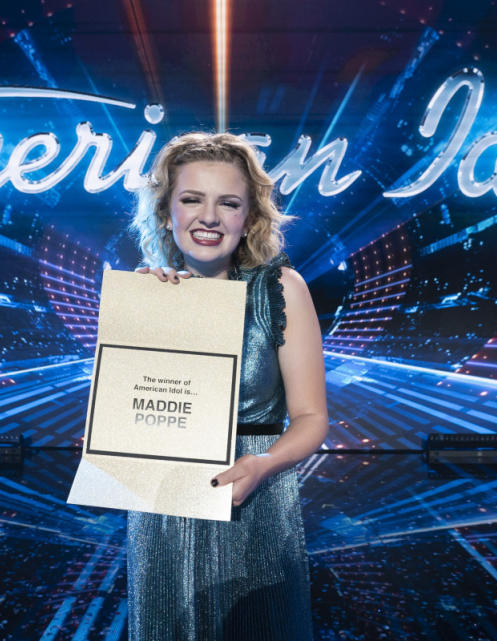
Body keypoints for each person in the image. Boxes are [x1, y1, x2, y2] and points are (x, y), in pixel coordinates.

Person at [127, 131, 329, 641]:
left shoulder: (281, 289)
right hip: (163, 514)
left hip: (256, 502)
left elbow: (312, 420)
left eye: (229, 203)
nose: (209, 217)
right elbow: (124, 417)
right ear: (167, 211)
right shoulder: (144, 295)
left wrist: (262, 464)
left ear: (250, 217)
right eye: (192, 199)